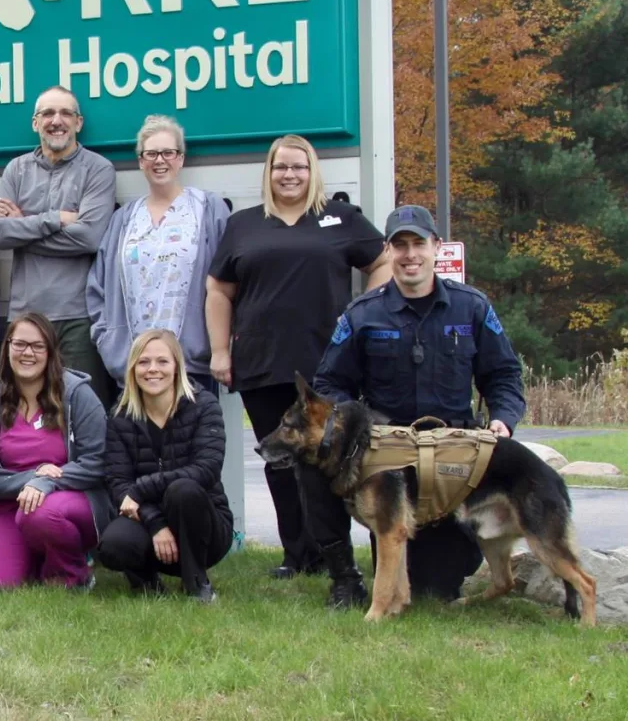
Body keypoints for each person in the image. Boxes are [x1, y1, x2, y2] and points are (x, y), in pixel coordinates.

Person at [308, 204, 526, 608]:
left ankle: (448, 554)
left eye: (418, 244)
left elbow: (504, 376)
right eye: (400, 245)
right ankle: (341, 575)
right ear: (388, 251)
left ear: (437, 248)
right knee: (310, 461)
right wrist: (353, 429)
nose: (410, 255)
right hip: (387, 455)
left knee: (435, 588)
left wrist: (503, 421)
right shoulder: (362, 314)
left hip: (453, 455)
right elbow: (329, 384)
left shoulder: (472, 307)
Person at [205, 134, 391, 581]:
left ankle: (334, 557)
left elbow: (382, 262)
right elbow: (218, 289)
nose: (289, 175)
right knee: (281, 460)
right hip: (261, 362)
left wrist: (362, 314)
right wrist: (218, 350)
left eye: (299, 167)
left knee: (330, 459)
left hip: (329, 364)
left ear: (313, 172)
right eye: (280, 167)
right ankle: (297, 555)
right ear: (268, 173)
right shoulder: (244, 224)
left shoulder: (340, 216)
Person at [0, 86, 117, 402]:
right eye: (47, 113)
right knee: (17, 409)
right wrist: (56, 218)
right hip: (24, 315)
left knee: (81, 410)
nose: (56, 121)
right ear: (35, 122)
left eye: (65, 113)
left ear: (79, 122)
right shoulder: (16, 169)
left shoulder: (98, 169)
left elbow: (90, 238)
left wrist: (23, 224)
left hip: (78, 317)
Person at [87, 116, 229, 400]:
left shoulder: (207, 209)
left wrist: (220, 348)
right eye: (150, 153)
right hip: (135, 368)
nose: (159, 160)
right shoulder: (124, 219)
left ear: (181, 159)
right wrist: (109, 342)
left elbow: (230, 280)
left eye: (168, 153)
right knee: (136, 444)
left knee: (194, 444)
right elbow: (98, 287)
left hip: (191, 367)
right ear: (141, 161)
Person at [0, 312, 110, 590]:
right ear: (7, 348)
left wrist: (48, 482)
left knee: (40, 514)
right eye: (19, 344)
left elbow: (98, 461)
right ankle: (36, 559)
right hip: (9, 507)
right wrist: (32, 478)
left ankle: (72, 574)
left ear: (50, 351)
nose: (27, 353)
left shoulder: (77, 394)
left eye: (37, 346)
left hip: (70, 502)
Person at [99, 329, 233, 602]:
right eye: (143, 362)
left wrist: (140, 490)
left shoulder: (203, 405)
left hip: (203, 523)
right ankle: (145, 580)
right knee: (114, 546)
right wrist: (155, 523)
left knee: (183, 489)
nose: (152, 370)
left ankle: (196, 582)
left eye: (162, 361)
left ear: (177, 367)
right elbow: (118, 483)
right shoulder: (120, 417)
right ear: (132, 369)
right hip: (146, 519)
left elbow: (207, 469)